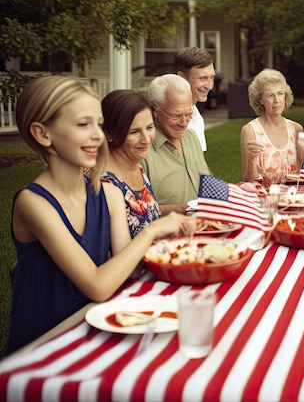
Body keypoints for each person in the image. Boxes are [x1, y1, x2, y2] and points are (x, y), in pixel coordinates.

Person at [7, 76, 196, 354]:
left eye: (98, 123)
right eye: (83, 124)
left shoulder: (108, 194)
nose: (98, 134)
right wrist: (153, 230)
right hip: (46, 343)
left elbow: (129, 270)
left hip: (98, 329)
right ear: (43, 134)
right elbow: (98, 286)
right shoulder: (33, 203)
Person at [142, 74, 212, 215]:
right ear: (155, 109)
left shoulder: (191, 137)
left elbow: (207, 178)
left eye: (189, 114)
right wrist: (186, 208)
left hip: (205, 228)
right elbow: (138, 212)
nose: (184, 122)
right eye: (176, 115)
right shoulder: (142, 150)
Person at [101, 90, 162, 237]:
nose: (146, 139)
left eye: (149, 127)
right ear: (110, 133)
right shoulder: (103, 183)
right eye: (134, 132)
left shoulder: (137, 168)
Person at [240, 68, 303, 181]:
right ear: (260, 100)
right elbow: (246, 180)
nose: (276, 100)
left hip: (293, 196)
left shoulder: (296, 129)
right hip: (265, 196)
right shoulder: (250, 131)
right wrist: (251, 160)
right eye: (270, 95)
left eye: (280, 94)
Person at [173, 47, 217, 152]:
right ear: (181, 77)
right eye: (203, 78)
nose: (209, 86)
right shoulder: (169, 120)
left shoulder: (197, 117)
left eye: (211, 78)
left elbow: (198, 165)